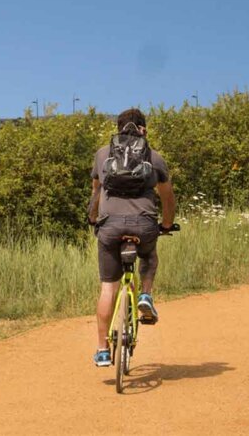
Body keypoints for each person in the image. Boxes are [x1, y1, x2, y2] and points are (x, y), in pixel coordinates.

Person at [87, 108, 176, 367]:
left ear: (118, 128)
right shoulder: (154, 157)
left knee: (108, 287)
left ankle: (102, 349)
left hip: (110, 227)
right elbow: (167, 198)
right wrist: (167, 225)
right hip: (144, 225)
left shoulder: (102, 155)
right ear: (143, 129)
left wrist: (94, 218)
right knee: (149, 255)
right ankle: (145, 295)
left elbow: (96, 193)